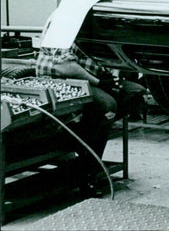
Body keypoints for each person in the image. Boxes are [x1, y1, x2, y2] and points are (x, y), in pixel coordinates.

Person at [35, 42, 146, 194]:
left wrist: (111, 77)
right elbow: (65, 67)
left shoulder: (92, 27)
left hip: (91, 78)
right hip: (64, 80)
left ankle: (85, 146)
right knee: (108, 106)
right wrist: (100, 83)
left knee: (136, 93)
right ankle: (87, 171)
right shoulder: (65, 27)